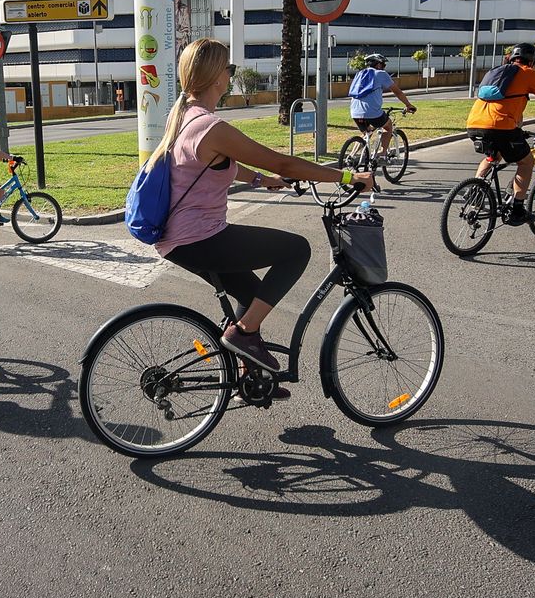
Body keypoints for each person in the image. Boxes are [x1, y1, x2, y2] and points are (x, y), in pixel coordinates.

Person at [153, 38, 374, 374]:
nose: (230, 75)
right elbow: (285, 163)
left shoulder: (184, 116)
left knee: (252, 294)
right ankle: (243, 335)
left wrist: (260, 180)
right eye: (228, 69)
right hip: (198, 237)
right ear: (216, 77)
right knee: (296, 251)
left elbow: (214, 164)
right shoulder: (210, 126)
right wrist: (346, 176)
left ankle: (248, 375)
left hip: (180, 238)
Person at [466, 42, 535, 225]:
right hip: (501, 126)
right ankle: (517, 209)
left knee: (493, 156)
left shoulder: (497, 72)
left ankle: (477, 187)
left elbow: (511, 103)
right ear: (532, 60)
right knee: (526, 162)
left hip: (475, 122)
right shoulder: (529, 73)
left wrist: (518, 128)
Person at [348, 52, 416, 150]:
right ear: (378, 64)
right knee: (388, 126)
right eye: (383, 64)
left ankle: (351, 156)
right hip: (371, 111)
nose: (384, 67)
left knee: (367, 133)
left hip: (354, 111)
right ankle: (383, 155)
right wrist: (408, 105)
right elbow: (398, 92)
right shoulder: (381, 73)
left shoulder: (359, 74)